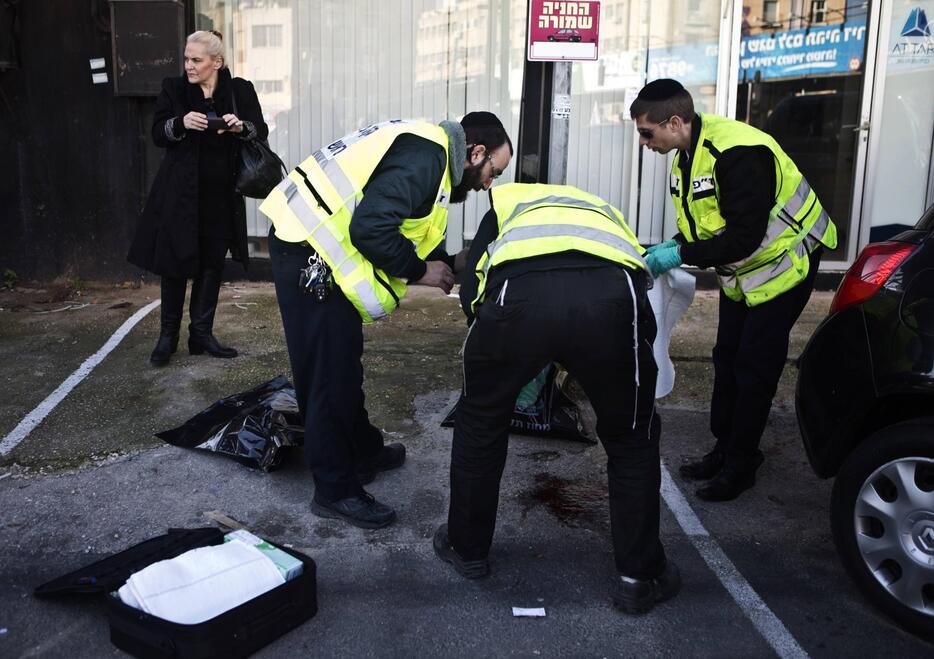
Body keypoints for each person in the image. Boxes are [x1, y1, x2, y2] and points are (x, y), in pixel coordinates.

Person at [433, 182, 680, 615]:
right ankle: (639, 575)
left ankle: (467, 548)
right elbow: (640, 288)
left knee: (480, 422)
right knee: (631, 437)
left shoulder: (507, 205)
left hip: (520, 298)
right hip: (612, 300)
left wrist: (496, 340)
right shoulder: (603, 207)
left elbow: (474, 286)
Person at [260, 113, 513, 529]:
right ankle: (335, 488)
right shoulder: (427, 158)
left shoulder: (431, 153)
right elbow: (371, 228)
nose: (489, 184)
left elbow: (396, 223)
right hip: (305, 245)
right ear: (476, 153)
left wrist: (447, 263)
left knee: (343, 359)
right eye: (492, 172)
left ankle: (362, 449)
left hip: (314, 239)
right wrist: (420, 272)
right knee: (326, 374)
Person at [630, 79, 837, 501]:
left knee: (754, 366)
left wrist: (679, 254)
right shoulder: (686, 157)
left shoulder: (738, 154)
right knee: (726, 357)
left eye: (646, 132)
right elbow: (704, 225)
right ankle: (724, 448)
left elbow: (744, 237)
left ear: (674, 121)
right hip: (745, 272)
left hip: (786, 265)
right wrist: (674, 245)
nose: (643, 142)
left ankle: (742, 464)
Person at [128, 30, 267, 367]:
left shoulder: (239, 90)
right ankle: (168, 337)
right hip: (181, 194)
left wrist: (239, 127)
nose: (188, 65)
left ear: (216, 62)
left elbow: (259, 131)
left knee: (212, 264)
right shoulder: (174, 89)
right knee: (175, 264)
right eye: (186, 58)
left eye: (196, 60)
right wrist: (181, 122)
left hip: (222, 194)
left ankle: (201, 334)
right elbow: (158, 134)